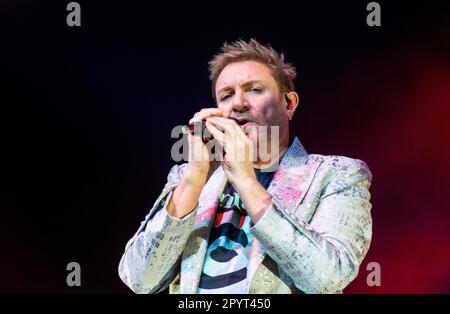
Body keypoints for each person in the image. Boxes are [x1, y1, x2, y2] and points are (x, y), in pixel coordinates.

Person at [118, 39, 373, 294]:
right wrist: (194, 176)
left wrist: (246, 181)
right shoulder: (191, 179)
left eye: (254, 90)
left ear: (289, 104)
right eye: (226, 95)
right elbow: (140, 280)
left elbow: (327, 278)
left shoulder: (337, 174)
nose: (238, 103)